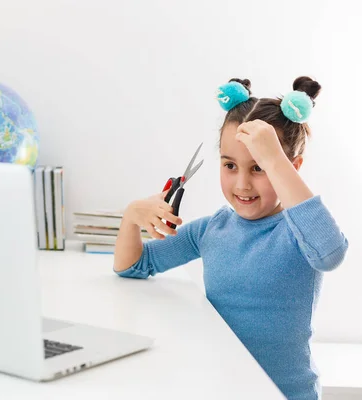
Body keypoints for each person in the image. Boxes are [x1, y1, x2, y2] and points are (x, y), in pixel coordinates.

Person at [113, 76, 349, 400]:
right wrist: (130, 218)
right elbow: (134, 265)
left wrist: (275, 160)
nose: (241, 185)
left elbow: (331, 253)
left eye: (258, 168)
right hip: (222, 388)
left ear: (292, 167)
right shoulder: (211, 230)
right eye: (229, 165)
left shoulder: (299, 232)